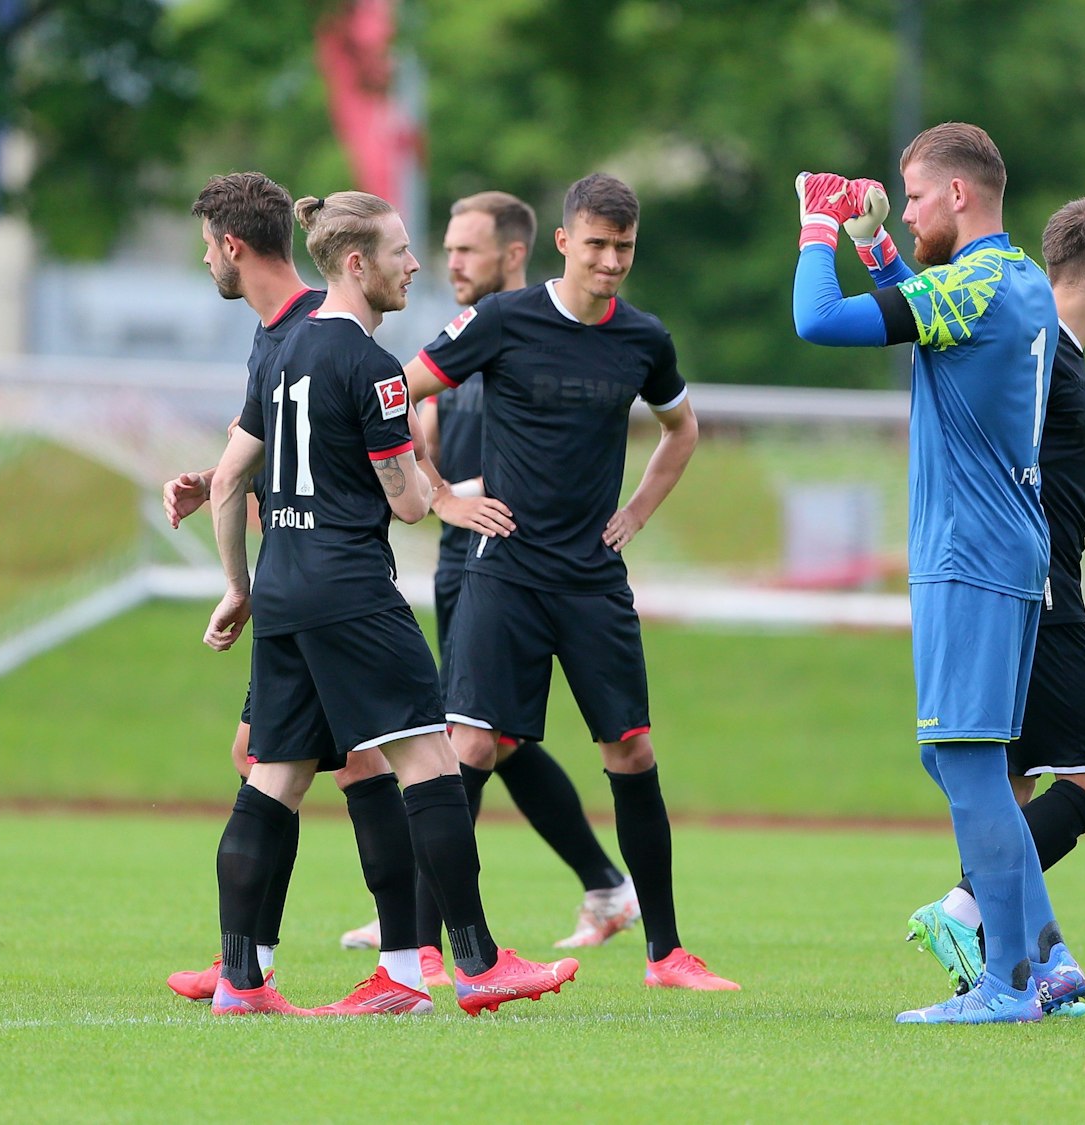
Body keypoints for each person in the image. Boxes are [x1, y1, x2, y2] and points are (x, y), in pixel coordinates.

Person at [204, 189, 577, 1016]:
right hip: (351, 591)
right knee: (431, 761)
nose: (414, 265)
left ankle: (243, 978)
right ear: (356, 262)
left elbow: (229, 479)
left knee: (273, 777)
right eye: (401, 251)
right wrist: (429, 480)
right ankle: (476, 963)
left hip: (284, 587)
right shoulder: (373, 367)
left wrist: (237, 586)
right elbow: (408, 504)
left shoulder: (281, 349)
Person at [401, 174, 737, 992]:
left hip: (592, 580)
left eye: (625, 247)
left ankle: (666, 954)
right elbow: (398, 393)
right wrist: (441, 497)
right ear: (563, 243)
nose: (612, 261)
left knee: (632, 749)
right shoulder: (502, 320)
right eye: (597, 244)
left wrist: (637, 512)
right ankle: (419, 954)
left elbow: (682, 429)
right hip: (505, 573)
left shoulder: (644, 338)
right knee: (470, 746)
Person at [791, 121, 1085, 1023]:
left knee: (965, 759)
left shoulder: (972, 287)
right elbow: (933, 312)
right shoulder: (1017, 279)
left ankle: (1008, 984)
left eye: (915, 195)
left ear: (959, 194)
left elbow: (816, 320)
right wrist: (876, 244)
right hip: (1007, 546)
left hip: (971, 552)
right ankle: (1049, 961)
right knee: (957, 757)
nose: (908, 209)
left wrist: (817, 226)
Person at [339, 190, 638, 973]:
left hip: (521, 566)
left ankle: (423, 920)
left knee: (476, 739)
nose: (449, 263)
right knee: (483, 740)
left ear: (513, 253)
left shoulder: (538, 333)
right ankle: (602, 886)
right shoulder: (463, 338)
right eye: (446, 248)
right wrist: (437, 492)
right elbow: (414, 423)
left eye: (466, 249)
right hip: (463, 558)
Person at [159, 172, 434, 1014]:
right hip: (313, 582)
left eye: (206, 247)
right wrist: (216, 480)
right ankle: (289, 963)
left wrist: (236, 571)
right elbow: (267, 459)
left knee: (335, 762)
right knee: (294, 760)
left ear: (232, 246)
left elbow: (309, 460)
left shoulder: (315, 328)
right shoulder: (289, 333)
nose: (206, 261)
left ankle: (293, 964)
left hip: (307, 583)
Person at [904, 197, 1085, 1009]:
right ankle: (966, 911)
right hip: (1034, 592)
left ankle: (1035, 961)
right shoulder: (1045, 354)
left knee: (1006, 785)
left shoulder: (1038, 345)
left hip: (1016, 583)